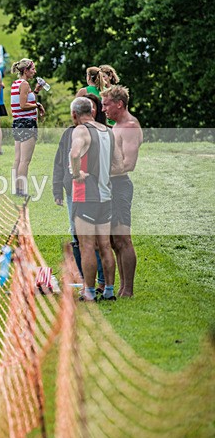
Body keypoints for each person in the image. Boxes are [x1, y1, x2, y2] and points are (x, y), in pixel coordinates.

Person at [69, 97, 124, 301]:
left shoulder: (80, 130)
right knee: (105, 246)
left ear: (75, 114)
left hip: (86, 196)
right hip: (105, 195)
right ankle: (109, 290)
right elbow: (119, 166)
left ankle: (89, 292)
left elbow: (75, 154)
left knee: (87, 246)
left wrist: (76, 174)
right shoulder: (108, 131)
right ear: (92, 112)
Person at [53, 94, 105, 282]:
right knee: (75, 232)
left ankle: (100, 280)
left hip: (90, 190)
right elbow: (59, 162)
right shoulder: (68, 133)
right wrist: (57, 188)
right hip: (72, 190)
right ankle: (83, 277)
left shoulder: (100, 132)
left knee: (95, 237)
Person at [102, 85, 143, 297]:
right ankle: (121, 287)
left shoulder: (129, 126)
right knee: (113, 241)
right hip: (109, 185)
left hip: (119, 186)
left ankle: (128, 290)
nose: (103, 109)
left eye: (106, 104)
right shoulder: (115, 125)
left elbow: (129, 164)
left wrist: (100, 171)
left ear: (119, 104)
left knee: (123, 239)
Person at [9, 59, 46, 196]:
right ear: (25, 70)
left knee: (18, 159)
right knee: (25, 160)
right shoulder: (24, 84)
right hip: (27, 123)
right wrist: (37, 105)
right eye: (32, 69)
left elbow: (26, 101)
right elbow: (23, 105)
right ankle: (21, 190)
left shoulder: (16, 83)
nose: (34, 72)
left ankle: (17, 188)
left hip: (18, 122)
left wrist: (36, 91)